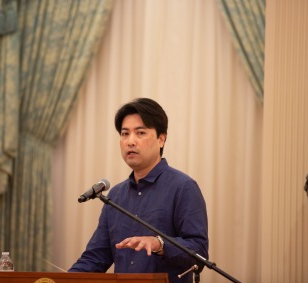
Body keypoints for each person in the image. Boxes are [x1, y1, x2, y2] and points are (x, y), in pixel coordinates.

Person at [68, 98, 209, 283]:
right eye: (125, 134)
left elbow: (199, 251)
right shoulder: (116, 196)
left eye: (140, 133)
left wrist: (159, 244)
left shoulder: (183, 187)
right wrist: (58, 280)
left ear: (161, 138)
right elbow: (95, 258)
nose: (130, 141)